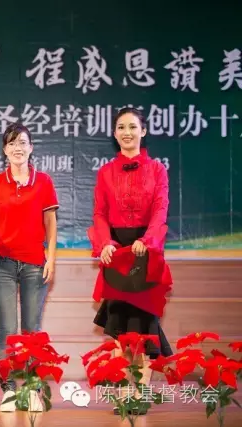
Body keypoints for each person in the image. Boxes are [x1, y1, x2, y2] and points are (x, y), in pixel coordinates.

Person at [88, 107, 173, 415]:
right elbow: (98, 214)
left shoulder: (157, 170)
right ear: (115, 134)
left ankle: (141, 396)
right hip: (117, 255)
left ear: (143, 131)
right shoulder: (105, 172)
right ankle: (126, 395)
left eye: (133, 127)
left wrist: (147, 241)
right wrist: (104, 244)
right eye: (121, 127)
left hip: (145, 255)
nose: (127, 132)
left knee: (145, 329)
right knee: (121, 331)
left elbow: (161, 211)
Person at [0, 122, 58, 412]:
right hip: (0, 264)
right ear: (4, 150)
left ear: (31, 147)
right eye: (12, 143)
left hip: (35, 264)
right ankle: (9, 389)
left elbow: (51, 225)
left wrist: (51, 258)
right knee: (7, 330)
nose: (18, 148)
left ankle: (33, 387)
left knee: (31, 329)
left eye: (23, 142)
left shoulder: (44, 182)